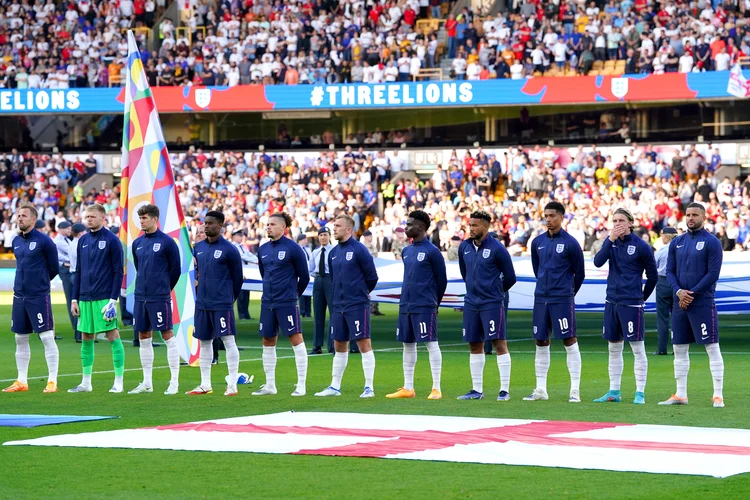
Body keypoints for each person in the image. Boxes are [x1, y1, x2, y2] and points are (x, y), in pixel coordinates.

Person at [660, 203, 725, 408]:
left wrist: (692, 293)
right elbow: (669, 271)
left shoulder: (712, 242)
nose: (690, 218)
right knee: (679, 347)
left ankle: (718, 395)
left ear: (704, 218)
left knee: (711, 347)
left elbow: (713, 274)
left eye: (695, 215)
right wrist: (679, 291)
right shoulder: (677, 242)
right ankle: (681, 394)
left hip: (702, 302)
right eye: (688, 214)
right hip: (680, 302)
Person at [592, 208, 658, 404]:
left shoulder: (641, 246)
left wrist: (641, 297)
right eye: (614, 220)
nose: (617, 224)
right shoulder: (610, 243)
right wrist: (609, 240)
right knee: (614, 348)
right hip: (611, 301)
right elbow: (597, 262)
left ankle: (640, 392)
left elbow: (652, 276)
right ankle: (614, 391)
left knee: (637, 349)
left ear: (631, 223)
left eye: (621, 220)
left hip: (632, 304)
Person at [525, 201, 585, 403]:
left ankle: (574, 390)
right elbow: (537, 268)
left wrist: (567, 292)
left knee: (569, 340)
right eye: (546, 216)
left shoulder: (571, 243)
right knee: (541, 341)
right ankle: (541, 389)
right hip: (541, 298)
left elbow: (580, 273)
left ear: (562, 217)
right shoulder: (537, 242)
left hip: (562, 299)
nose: (548, 219)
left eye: (552, 216)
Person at [315, 214, 379, 398]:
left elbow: (372, 276)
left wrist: (360, 293)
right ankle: (335, 386)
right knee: (339, 344)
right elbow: (333, 279)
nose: (333, 229)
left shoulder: (359, 250)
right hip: (338, 306)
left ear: (349, 230)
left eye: (338, 226)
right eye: (334, 225)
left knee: (363, 343)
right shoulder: (333, 253)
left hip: (357, 305)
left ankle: (369, 387)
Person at [386, 211, 447, 400]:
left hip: (425, 305)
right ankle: (408, 388)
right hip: (406, 305)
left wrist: (433, 302)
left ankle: (436, 388)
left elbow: (441, 280)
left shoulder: (432, 251)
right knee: (407, 344)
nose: (406, 227)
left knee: (431, 343)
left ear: (421, 227)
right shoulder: (406, 251)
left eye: (409, 224)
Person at [456, 211, 517, 401]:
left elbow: (511, 277)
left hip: (491, 303)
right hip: (471, 303)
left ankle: (504, 390)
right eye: (470, 224)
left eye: (475, 225)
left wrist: (494, 292)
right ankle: (476, 390)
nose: (471, 228)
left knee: (499, 343)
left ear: (486, 227)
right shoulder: (464, 247)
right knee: (474, 344)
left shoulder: (498, 248)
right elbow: (465, 273)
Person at [3, 204, 60, 393]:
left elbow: (54, 268)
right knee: (20, 338)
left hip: (38, 295)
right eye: (18, 215)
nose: (19, 218)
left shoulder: (45, 241)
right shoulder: (16, 240)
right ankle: (21, 381)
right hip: (19, 296)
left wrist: (39, 283)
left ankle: (52, 381)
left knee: (45, 336)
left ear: (33, 219)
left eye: (24, 216)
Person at [68, 204, 125, 393]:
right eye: (87, 216)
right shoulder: (82, 241)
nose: (89, 219)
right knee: (86, 336)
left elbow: (118, 272)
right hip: (84, 298)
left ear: (103, 218)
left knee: (112, 335)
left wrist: (112, 299)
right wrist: (74, 299)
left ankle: (118, 381)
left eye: (92, 216)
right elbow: (78, 272)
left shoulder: (112, 240)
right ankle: (86, 382)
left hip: (104, 298)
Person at [186, 211, 244, 396]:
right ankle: (205, 384)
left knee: (228, 341)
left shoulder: (229, 249)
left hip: (222, 303)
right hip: (202, 303)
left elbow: (238, 278)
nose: (206, 226)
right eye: (205, 223)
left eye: (210, 223)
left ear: (220, 226)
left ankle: (232, 384)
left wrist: (228, 298)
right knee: (204, 342)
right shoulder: (199, 247)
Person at [254, 212, 310, 397]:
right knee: (267, 340)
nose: (268, 227)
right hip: (267, 302)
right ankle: (270, 385)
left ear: (282, 227)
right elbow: (264, 274)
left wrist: (292, 296)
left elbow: (305, 277)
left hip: (286, 302)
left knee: (295, 339)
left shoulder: (293, 248)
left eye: (271, 224)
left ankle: (301, 385)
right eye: (267, 224)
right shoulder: (262, 249)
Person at [128, 204, 182, 396]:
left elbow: (175, 270)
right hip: (141, 296)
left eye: (144, 218)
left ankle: (174, 382)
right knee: (143, 337)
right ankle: (147, 382)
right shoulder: (137, 243)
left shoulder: (167, 242)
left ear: (154, 219)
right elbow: (138, 266)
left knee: (167, 335)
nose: (141, 221)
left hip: (159, 296)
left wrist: (163, 288)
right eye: (140, 218)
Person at [309, 226, 334, 354]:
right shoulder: (315, 252)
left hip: (330, 280)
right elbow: (311, 269)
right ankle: (317, 346)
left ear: (330, 236)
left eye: (325, 235)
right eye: (321, 235)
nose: (323, 237)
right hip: (318, 280)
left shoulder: (334, 250)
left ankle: (333, 345)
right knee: (318, 314)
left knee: (333, 313)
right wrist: (318, 277)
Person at [654, 227, 678, 355]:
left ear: (667, 237)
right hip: (677, 283)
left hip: (663, 282)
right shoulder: (681, 249)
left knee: (662, 318)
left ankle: (662, 348)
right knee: (677, 317)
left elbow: (654, 266)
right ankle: (677, 347)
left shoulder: (662, 251)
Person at [485, 231, 510, 355]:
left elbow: (509, 275)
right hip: (493, 290)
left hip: (497, 289)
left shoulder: (500, 253)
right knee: (489, 319)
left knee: (499, 320)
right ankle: (488, 347)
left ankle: (496, 346)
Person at [53, 220, 74, 341]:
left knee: (71, 296)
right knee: (71, 296)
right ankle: (74, 322)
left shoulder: (65, 240)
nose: (69, 231)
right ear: (61, 229)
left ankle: (75, 322)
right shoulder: (59, 241)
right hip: (65, 268)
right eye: (67, 229)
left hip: (66, 267)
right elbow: (70, 252)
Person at [69, 223, 87, 343]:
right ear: (80, 233)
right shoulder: (78, 245)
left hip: (74, 274)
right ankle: (80, 334)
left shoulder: (72, 243)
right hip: (78, 274)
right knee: (80, 305)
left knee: (78, 303)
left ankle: (79, 333)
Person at [232, 230, 255, 320]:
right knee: (241, 294)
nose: (241, 237)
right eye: (239, 236)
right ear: (234, 236)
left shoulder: (242, 246)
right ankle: (242, 314)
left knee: (246, 293)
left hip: (247, 270)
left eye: (241, 236)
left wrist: (257, 260)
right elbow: (242, 256)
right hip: (239, 271)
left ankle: (246, 314)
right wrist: (255, 261)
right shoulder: (233, 246)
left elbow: (249, 254)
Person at [362, 230, 384, 317]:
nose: (370, 238)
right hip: (367, 271)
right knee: (369, 289)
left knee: (375, 287)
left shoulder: (373, 246)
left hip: (374, 269)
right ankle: (369, 309)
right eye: (369, 236)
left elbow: (376, 256)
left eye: (371, 236)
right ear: (365, 237)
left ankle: (375, 309)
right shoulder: (363, 246)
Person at [297, 234, 312, 318]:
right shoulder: (297, 249)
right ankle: (302, 311)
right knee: (302, 293)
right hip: (301, 273)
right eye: (304, 239)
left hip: (308, 272)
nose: (305, 241)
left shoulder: (307, 249)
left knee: (308, 293)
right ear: (300, 240)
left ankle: (308, 311)